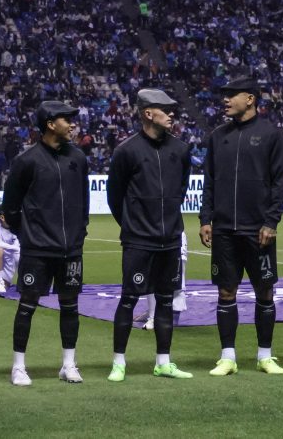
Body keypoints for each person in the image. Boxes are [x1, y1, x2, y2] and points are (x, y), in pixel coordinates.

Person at [198, 76, 283, 377]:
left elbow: (279, 182)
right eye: (224, 95)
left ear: (250, 98)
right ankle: (228, 357)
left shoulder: (271, 135)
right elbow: (209, 181)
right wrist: (205, 219)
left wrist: (271, 221)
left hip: (258, 230)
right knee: (226, 292)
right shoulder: (217, 136)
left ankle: (265, 355)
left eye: (231, 95)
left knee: (265, 291)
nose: (225, 100)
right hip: (224, 229)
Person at [106, 89, 193, 382]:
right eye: (165, 109)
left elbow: (180, 190)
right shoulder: (126, 151)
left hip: (170, 240)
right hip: (138, 240)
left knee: (166, 301)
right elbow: (114, 197)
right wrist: (133, 225)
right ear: (147, 113)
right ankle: (119, 363)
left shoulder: (180, 150)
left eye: (172, 109)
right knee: (128, 299)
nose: (172, 114)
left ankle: (163, 362)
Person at [0, 100, 89, 386]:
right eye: (67, 119)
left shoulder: (78, 158)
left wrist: (80, 232)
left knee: (70, 306)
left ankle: (68, 364)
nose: (73, 124)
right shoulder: (26, 161)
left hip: (70, 249)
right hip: (38, 249)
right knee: (27, 304)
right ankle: (18, 367)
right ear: (51, 124)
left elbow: (84, 202)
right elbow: (10, 207)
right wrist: (28, 235)